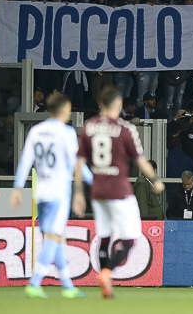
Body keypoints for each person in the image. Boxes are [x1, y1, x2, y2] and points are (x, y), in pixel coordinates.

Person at [72, 85, 165, 299]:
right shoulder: (125, 129)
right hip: (120, 191)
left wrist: (78, 193)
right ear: (118, 104)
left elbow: (79, 163)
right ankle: (107, 272)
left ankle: (105, 280)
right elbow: (140, 161)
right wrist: (155, 180)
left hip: (98, 192)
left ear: (100, 104)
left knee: (105, 236)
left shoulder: (88, 127)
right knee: (131, 238)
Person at [9, 92, 85, 299]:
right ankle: (35, 283)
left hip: (41, 192)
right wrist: (94, 180)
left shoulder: (36, 130)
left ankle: (68, 286)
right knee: (53, 237)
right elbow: (75, 162)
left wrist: (17, 187)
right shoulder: (66, 132)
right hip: (59, 192)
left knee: (56, 237)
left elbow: (26, 160)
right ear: (65, 110)